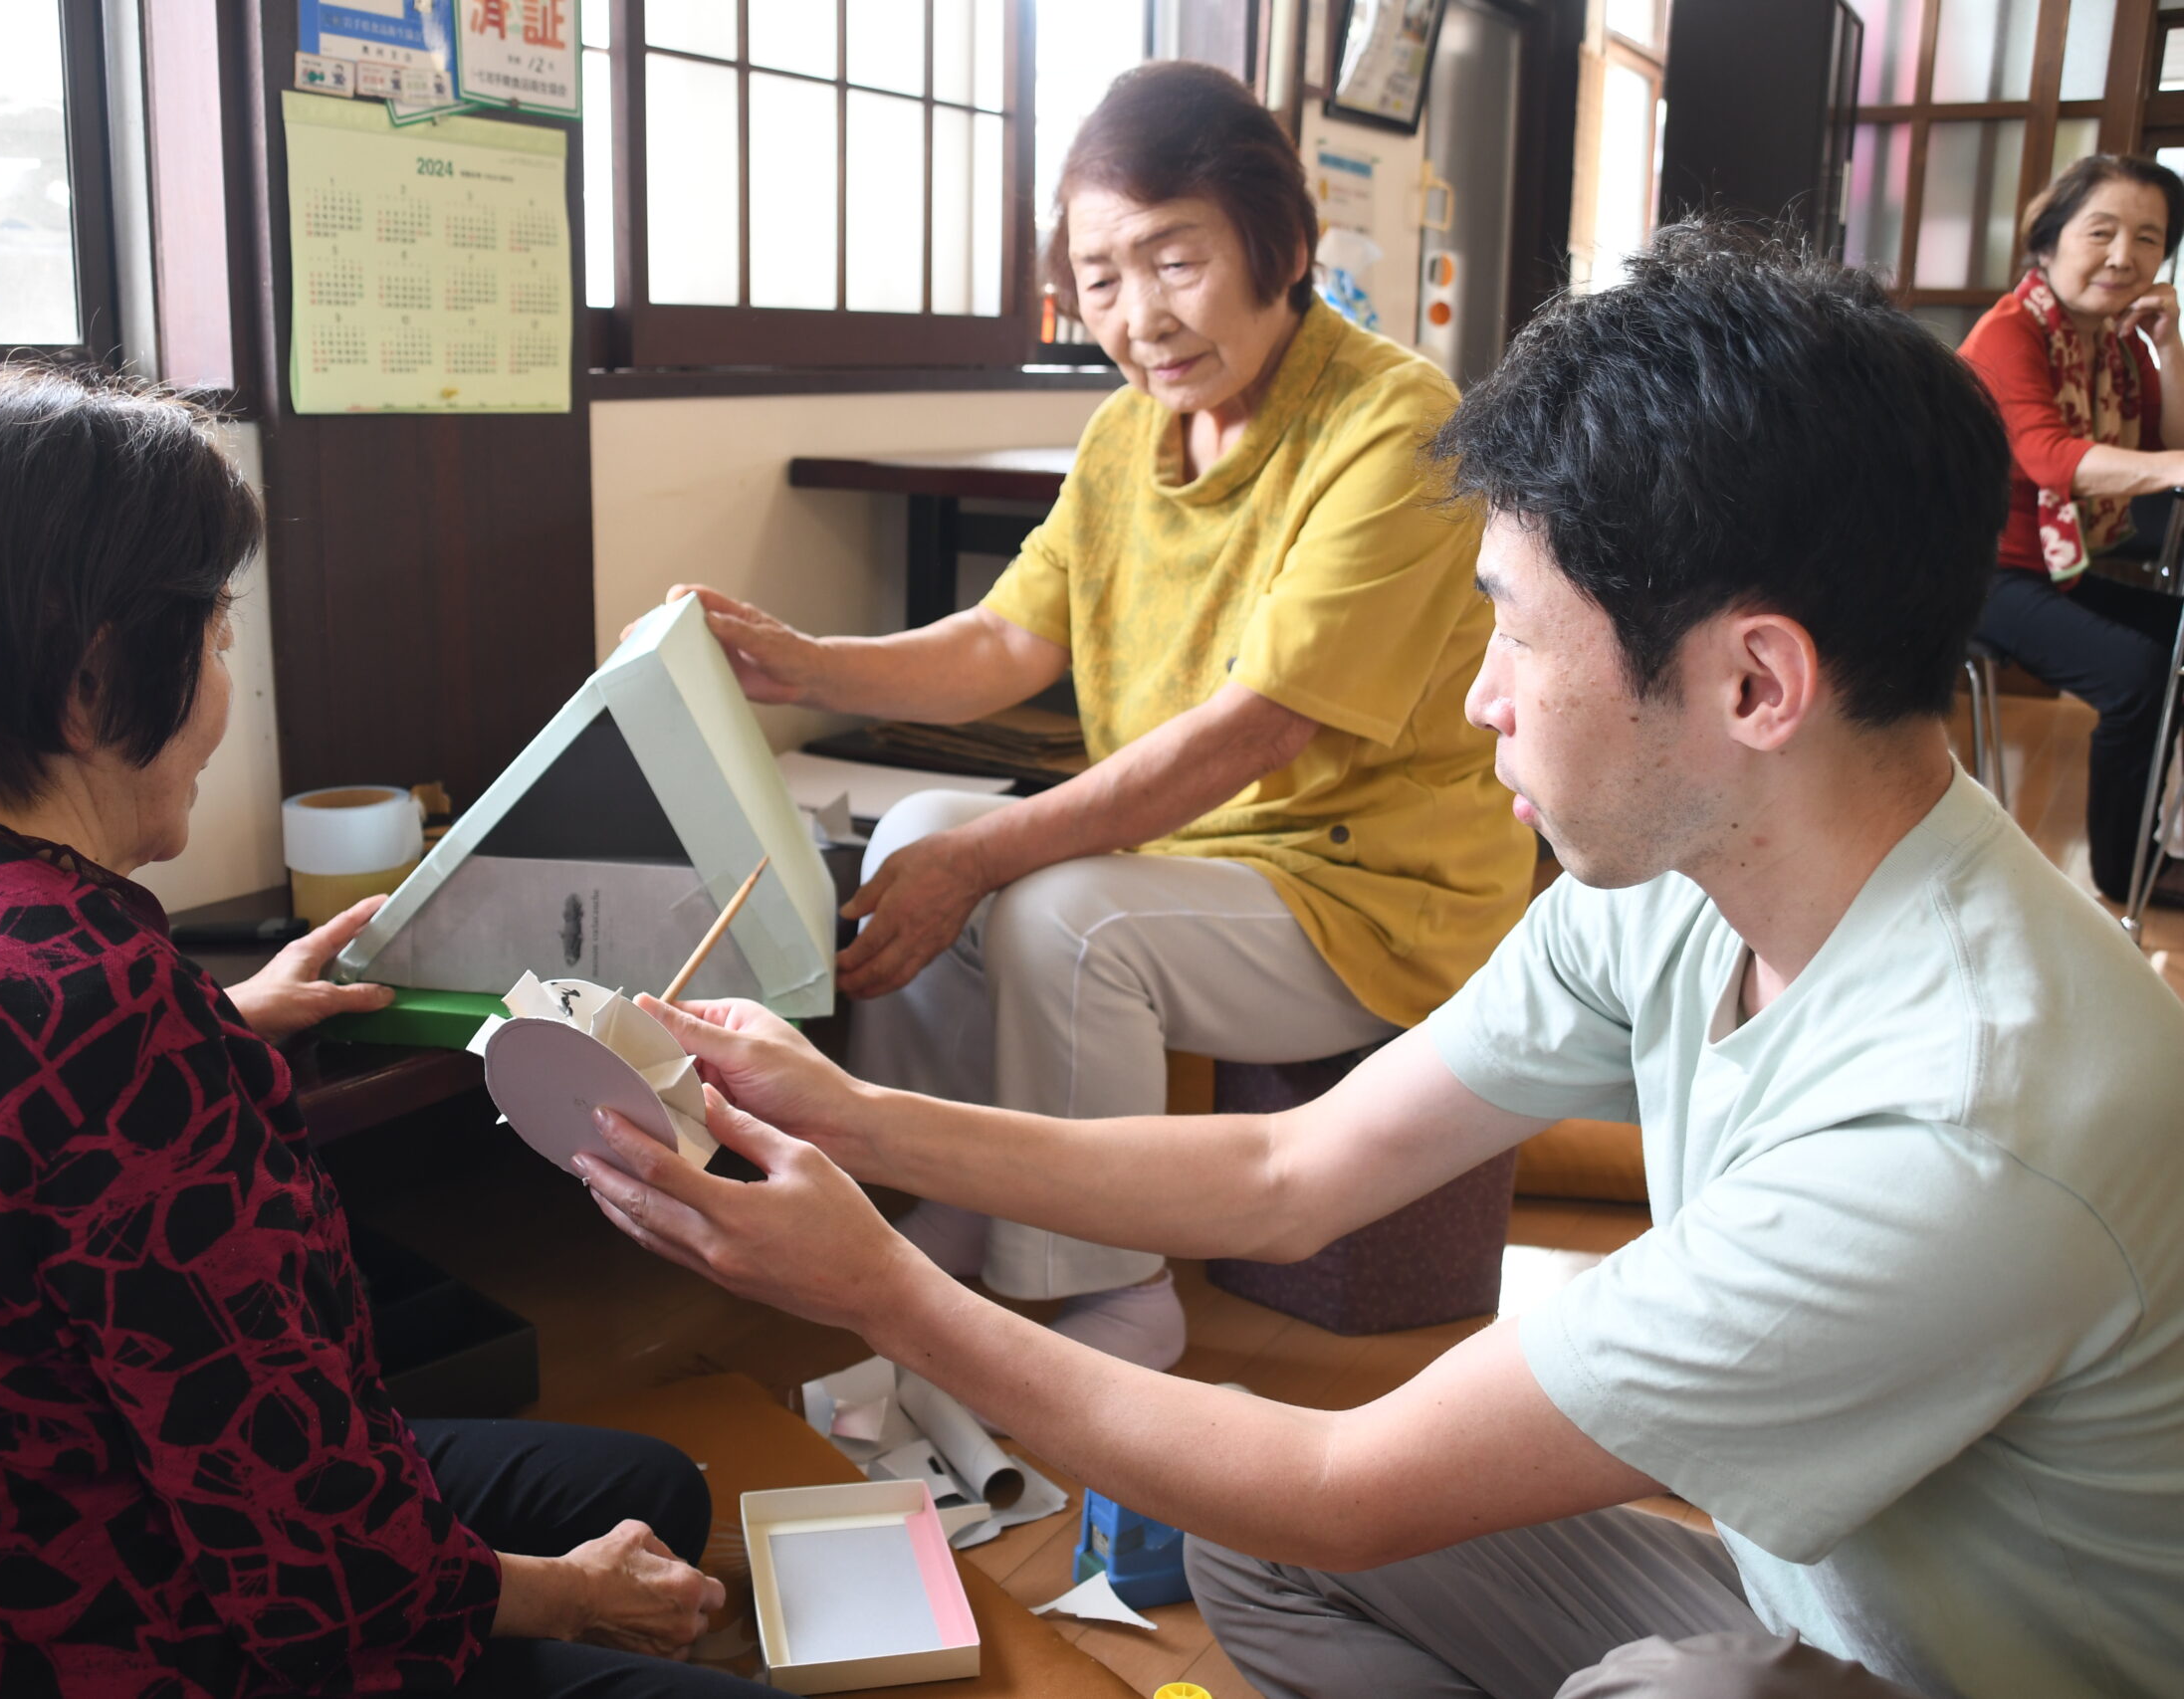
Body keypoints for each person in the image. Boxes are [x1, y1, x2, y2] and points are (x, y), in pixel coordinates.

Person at [570, 227, 2184, 1698]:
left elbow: (1355, 1484)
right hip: (1818, 1603)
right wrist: (850, 1116)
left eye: (1517, 631)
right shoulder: (1694, 864)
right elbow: (1292, 1167)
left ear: (1753, 683)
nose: (1481, 695)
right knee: (1250, 1544)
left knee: (1641, 1676)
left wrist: (881, 1289)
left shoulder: (1957, 1124)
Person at [0, 367, 757, 1699]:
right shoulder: (101, 1012)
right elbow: (321, 1573)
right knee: (653, 1591)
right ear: (93, 683)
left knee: (635, 1481)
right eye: (216, 634)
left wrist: (220, 1018)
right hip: (122, 1636)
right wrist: (565, 1595)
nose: (220, 692)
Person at [646, 62, 1529, 1371]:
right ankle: (957, 1198)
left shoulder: (1395, 425)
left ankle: (1103, 1294)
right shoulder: (1129, 431)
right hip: (1200, 864)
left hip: (1378, 895)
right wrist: (803, 662)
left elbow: (1251, 731)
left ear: (1279, 247)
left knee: (1062, 910)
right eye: (1101, 277)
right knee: (916, 835)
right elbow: (1006, 638)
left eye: (1176, 261)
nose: (1140, 316)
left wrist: (990, 857)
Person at [1959, 152, 2184, 902]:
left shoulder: (2117, 345)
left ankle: (2148, 851)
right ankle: (2120, 874)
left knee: (2178, 638)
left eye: (2148, 237)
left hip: (2052, 567)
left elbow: (2158, 448)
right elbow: (2051, 460)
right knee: (2137, 672)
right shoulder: (2008, 335)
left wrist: (2170, 348)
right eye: (2103, 231)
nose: (2125, 255)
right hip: (1971, 568)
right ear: (2049, 241)